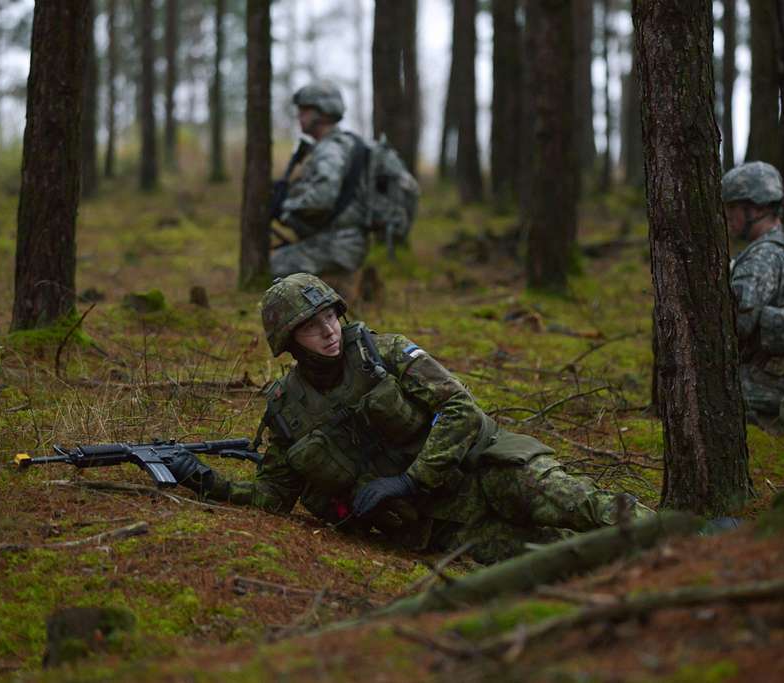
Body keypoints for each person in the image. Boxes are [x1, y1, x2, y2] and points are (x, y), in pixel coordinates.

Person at [166, 273, 653, 564]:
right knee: (551, 559)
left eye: (331, 317)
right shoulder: (288, 411)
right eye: (311, 327)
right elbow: (274, 497)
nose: (329, 332)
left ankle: (684, 536)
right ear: (288, 341)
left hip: (485, 469)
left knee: (575, 503)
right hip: (442, 524)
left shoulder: (384, 351)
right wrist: (206, 482)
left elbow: (461, 409)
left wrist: (408, 479)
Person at [271, 81, 370, 285]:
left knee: (273, 267)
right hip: (339, 241)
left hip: (337, 245)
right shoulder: (334, 145)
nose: (299, 116)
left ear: (322, 112)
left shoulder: (330, 150)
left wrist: (285, 207)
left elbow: (322, 199)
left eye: (305, 110)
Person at [721, 161, 784, 422]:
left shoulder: (762, 258)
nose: (728, 216)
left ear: (757, 208)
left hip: (769, 381)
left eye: (733, 207)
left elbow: (736, 326)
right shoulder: (783, 244)